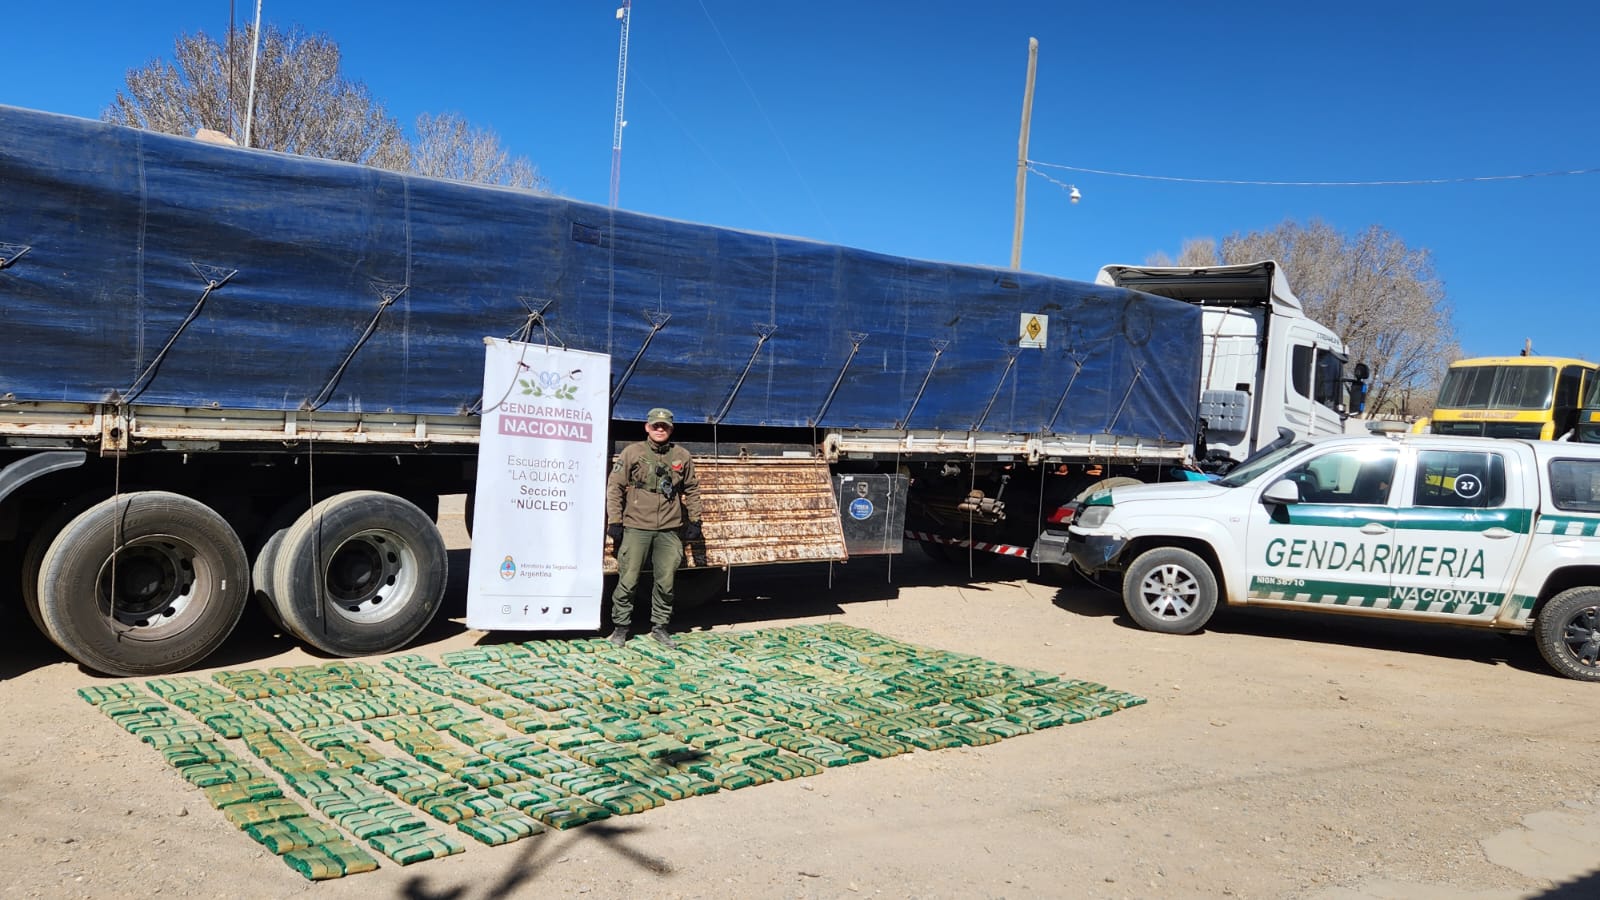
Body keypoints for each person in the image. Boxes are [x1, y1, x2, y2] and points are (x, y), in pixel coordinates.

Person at [605, 407, 703, 649]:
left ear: (671, 429)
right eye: (655, 425)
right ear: (647, 427)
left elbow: (691, 489)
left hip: (670, 529)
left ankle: (660, 626)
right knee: (628, 579)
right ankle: (620, 628)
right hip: (636, 526)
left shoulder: (682, 456)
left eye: (665, 426)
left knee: (666, 581)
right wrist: (615, 521)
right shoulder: (632, 452)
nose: (660, 429)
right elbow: (615, 486)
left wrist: (695, 520)